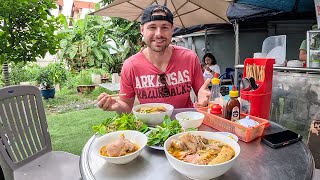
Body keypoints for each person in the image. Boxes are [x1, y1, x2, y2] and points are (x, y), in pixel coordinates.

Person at [97, 4, 211, 114]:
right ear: (142, 30)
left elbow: (202, 96)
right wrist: (117, 106)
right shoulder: (130, 66)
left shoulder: (189, 58)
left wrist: (205, 101)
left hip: (186, 124)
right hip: (151, 129)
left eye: (164, 27)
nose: (158, 34)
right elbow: (126, 106)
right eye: (152, 27)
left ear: (172, 29)